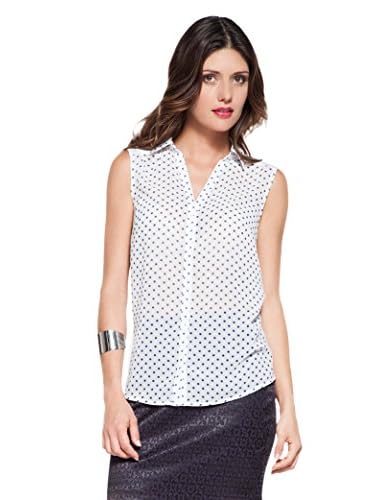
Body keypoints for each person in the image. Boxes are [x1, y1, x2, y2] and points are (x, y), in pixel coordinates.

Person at [98, 15, 302, 499]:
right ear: (187, 79)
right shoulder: (132, 170)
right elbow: (113, 288)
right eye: (211, 77)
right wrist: (112, 395)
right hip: (147, 406)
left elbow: (269, 302)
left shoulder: (266, 184)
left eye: (239, 79)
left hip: (239, 408)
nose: (226, 94)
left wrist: (289, 406)